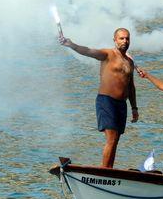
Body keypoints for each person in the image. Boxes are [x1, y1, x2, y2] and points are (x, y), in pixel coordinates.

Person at [60, 28, 139, 168]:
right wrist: (72, 45)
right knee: (111, 137)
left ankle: (109, 170)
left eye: (127, 38)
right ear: (114, 40)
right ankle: (104, 171)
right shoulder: (107, 54)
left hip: (121, 104)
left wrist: (134, 107)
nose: (125, 41)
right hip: (107, 100)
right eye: (121, 38)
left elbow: (131, 86)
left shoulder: (129, 62)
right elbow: (88, 51)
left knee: (116, 140)